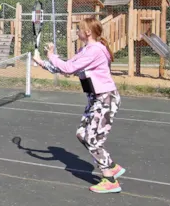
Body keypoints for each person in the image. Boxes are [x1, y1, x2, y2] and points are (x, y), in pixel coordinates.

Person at [33, 16, 125, 194]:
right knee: (82, 134)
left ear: (87, 32)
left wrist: (51, 55)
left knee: (92, 139)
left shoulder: (96, 50)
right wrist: (42, 62)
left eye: (79, 29)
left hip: (105, 98)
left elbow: (68, 69)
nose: (77, 31)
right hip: (95, 99)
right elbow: (67, 67)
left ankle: (110, 179)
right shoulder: (86, 50)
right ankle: (111, 166)